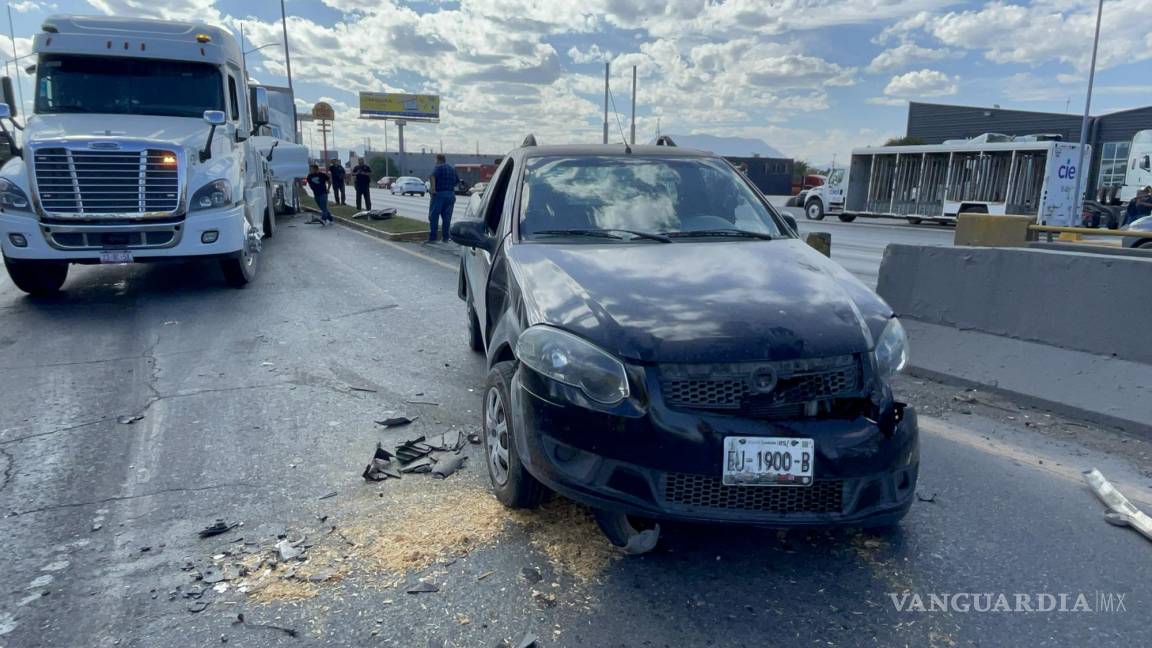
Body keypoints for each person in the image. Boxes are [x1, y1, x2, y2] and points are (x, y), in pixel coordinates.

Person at [428, 154, 460, 243]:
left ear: (438, 159)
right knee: (447, 218)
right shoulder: (452, 169)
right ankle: (445, 238)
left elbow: (432, 176)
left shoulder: (438, 167)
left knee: (433, 216)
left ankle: (433, 238)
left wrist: (433, 189)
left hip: (439, 194)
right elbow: (457, 181)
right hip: (450, 195)